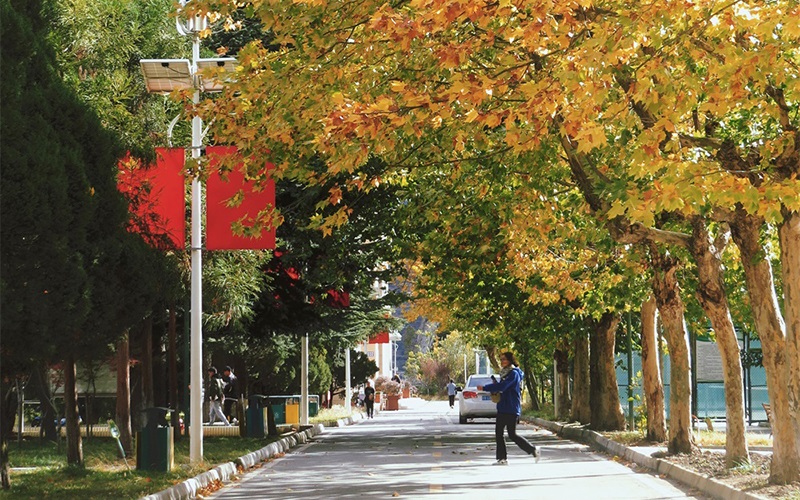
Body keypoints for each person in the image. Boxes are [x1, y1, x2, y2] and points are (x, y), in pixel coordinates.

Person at [478, 352, 539, 465]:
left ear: (510, 360)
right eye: (500, 359)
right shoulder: (505, 373)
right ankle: (502, 458)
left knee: (512, 434)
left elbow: (504, 386)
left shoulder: (514, 374)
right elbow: (502, 387)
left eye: (504, 359)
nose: (502, 362)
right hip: (503, 407)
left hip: (511, 408)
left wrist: (486, 387)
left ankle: (532, 450)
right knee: (499, 433)